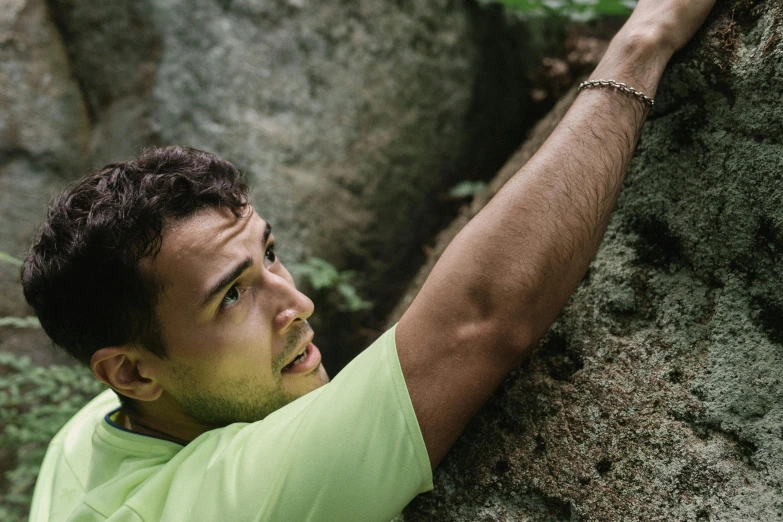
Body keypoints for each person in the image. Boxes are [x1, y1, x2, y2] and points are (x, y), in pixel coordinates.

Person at [25, 0, 716, 520]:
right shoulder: (228, 502)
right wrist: (641, 43)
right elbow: (477, 322)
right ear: (133, 371)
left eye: (269, 254)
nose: (296, 305)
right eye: (232, 296)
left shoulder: (87, 437)